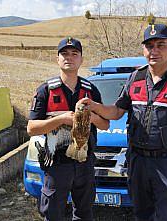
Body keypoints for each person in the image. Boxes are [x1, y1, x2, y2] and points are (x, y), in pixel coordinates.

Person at [78, 24, 167, 220]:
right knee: (141, 214)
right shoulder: (135, 77)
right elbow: (116, 111)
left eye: (160, 45)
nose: (154, 51)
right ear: (143, 50)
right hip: (137, 160)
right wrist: (95, 106)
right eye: (149, 46)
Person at [27, 37, 109, 221]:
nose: (69, 57)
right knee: (54, 213)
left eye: (74, 54)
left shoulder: (91, 90)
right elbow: (31, 128)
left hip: (84, 163)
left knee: (84, 213)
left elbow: (105, 124)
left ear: (81, 60)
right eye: (64, 53)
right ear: (57, 59)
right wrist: (62, 119)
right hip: (57, 164)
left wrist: (91, 117)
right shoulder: (45, 91)